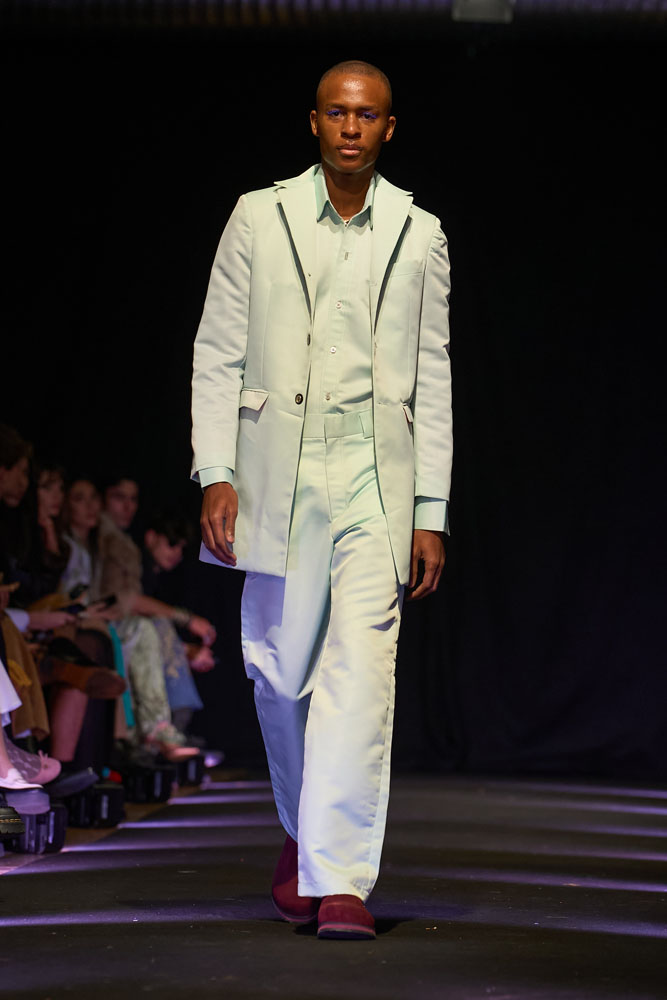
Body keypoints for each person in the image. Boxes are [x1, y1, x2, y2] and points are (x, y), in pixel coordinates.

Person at [192, 60, 452, 940]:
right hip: (280, 469)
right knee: (278, 671)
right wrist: (215, 471)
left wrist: (429, 511)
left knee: (360, 674)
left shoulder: (419, 231)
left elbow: (432, 378)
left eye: (366, 115)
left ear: (388, 127)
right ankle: (304, 830)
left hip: (376, 476)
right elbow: (218, 352)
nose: (350, 127)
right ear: (313, 121)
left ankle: (339, 879)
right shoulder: (258, 216)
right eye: (337, 113)